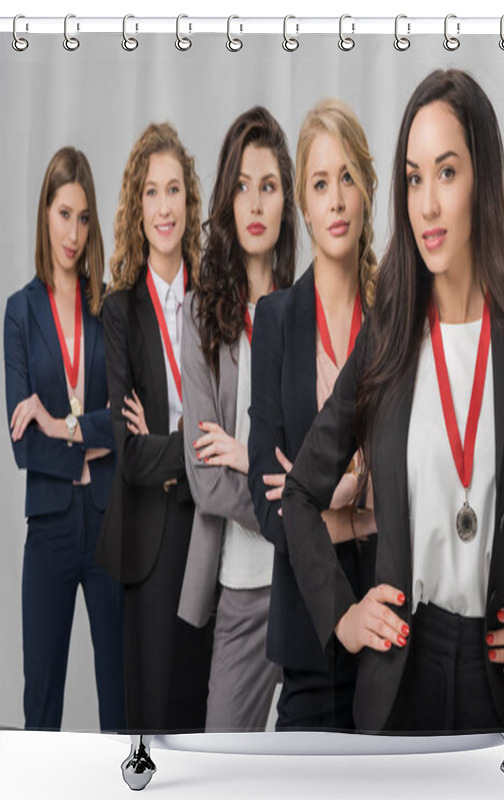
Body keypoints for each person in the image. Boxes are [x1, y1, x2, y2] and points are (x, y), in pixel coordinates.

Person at [281, 69, 504, 734]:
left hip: (489, 682)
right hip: (394, 680)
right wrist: (344, 612)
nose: (426, 205)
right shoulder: (390, 328)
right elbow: (300, 494)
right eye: (413, 178)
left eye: (446, 173)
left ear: (484, 180)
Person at [248, 98, 378, 731]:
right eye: (321, 183)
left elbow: (414, 472)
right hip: (306, 615)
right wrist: (360, 487)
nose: (335, 199)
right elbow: (261, 487)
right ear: (304, 201)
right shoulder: (274, 319)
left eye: (347, 178)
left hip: (390, 596)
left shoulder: (397, 321)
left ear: (367, 192)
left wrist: (315, 489)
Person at [177, 106, 296, 731]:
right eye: (243, 186)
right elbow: (206, 480)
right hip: (244, 587)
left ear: (286, 202)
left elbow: (318, 464)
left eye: (269, 186)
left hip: (309, 588)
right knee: (226, 759)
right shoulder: (197, 319)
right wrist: (299, 516)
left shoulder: (307, 310)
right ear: (226, 200)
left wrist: (250, 457)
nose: (255, 202)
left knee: (322, 770)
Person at [3, 147, 125, 731]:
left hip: (107, 522)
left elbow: (128, 426)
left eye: (83, 218)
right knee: (41, 704)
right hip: (49, 525)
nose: (73, 232)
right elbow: (24, 446)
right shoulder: (19, 314)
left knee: (121, 703)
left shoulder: (109, 309)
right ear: (44, 214)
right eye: (63, 214)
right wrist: (89, 433)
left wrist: (61, 424)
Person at [96, 122, 212, 732]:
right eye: (151, 193)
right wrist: (193, 441)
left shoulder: (215, 302)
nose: (163, 207)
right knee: (151, 732)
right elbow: (130, 455)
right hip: (149, 546)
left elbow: (231, 430)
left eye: (174, 191)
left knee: (208, 726)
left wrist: (169, 441)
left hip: (211, 533)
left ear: (189, 204)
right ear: (137, 207)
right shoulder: (120, 311)